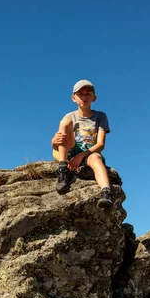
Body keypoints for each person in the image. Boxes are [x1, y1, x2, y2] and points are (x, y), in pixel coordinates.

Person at [51, 79, 114, 208]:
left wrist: (81, 156)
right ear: (73, 98)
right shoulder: (70, 116)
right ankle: (63, 170)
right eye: (80, 94)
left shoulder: (100, 117)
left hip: (90, 152)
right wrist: (53, 142)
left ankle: (106, 192)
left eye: (87, 94)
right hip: (72, 149)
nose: (84, 97)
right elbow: (59, 141)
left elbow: (101, 144)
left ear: (94, 98)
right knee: (65, 122)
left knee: (96, 158)